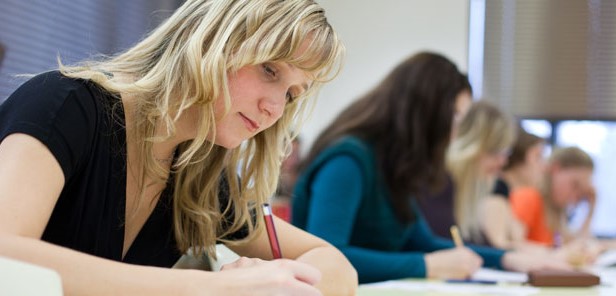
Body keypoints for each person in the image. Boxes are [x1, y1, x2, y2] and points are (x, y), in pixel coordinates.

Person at [0, 1, 357, 295]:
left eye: (293, 94)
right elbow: (5, 255)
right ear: (210, 40)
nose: (276, 109)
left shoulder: (197, 175)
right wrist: (214, 287)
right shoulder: (65, 104)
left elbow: (335, 265)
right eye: (269, 69)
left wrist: (276, 284)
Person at [292, 52, 569, 284]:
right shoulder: (348, 161)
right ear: (429, 113)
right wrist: (426, 265)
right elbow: (327, 256)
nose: (457, 130)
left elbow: (424, 242)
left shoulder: (394, 167)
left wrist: (508, 259)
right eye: (457, 116)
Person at [419, 100, 517, 246]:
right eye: (495, 151)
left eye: (505, 153)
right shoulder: (438, 185)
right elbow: (443, 244)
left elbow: (472, 243)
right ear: (472, 145)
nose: (503, 162)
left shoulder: (469, 189)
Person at [510, 146, 597, 247]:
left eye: (581, 193)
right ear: (556, 169)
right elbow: (512, 246)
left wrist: (591, 209)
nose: (574, 197)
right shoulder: (529, 197)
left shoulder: (556, 211)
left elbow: (580, 246)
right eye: (575, 185)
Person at [484, 125, 548, 250]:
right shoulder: (495, 192)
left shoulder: (506, 193)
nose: (544, 167)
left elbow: (517, 240)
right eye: (538, 157)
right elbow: (500, 246)